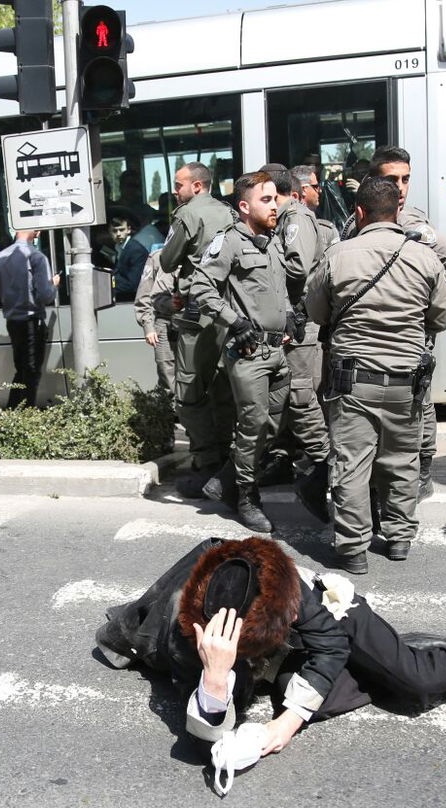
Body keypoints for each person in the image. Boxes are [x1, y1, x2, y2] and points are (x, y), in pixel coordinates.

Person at [95, 536, 446, 754]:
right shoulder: (187, 641)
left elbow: (328, 644)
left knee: (416, 682)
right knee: (305, 693)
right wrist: (218, 678)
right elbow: (206, 744)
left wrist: (287, 723)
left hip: (326, 617)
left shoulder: (285, 586)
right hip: (244, 655)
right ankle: (391, 657)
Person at [307, 178, 446, 574]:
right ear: (397, 212)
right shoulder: (425, 259)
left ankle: (353, 549)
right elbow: (441, 317)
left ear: (359, 212)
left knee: (352, 463)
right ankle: (399, 539)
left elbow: (317, 311)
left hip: (353, 381)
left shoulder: (339, 255)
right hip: (406, 381)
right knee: (402, 460)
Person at [343, 148, 446, 503]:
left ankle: (421, 472)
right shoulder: (360, 219)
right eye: (392, 180)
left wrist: (428, 314)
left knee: (419, 403)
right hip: (369, 332)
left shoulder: (411, 221)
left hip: (404, 332)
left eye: (406, 179)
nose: (400, 187)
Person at [188, 170, 300, 535]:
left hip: (276, 351)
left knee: (275, 423)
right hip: (248, 351)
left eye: (274, 198)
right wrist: (234, 322)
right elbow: (201, 289)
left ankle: (226, 479)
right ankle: (247, 497)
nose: (274, 205)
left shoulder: (272, 241)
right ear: (243, 206)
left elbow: (278, 288)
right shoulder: (229, 242)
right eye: (265, 200)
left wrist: (288, 316)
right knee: (253, 427)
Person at [158, 162, 238, 497]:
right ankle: (225, 463)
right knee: (222, 388)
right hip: (229, 313)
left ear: (198, 186)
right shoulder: (231, 212)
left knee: (189, 391)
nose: (175, 191)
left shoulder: (188, 215)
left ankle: (206, 463)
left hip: (196, 312)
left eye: (179, 185)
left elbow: (166, 261)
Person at [261, 163, 334, 505]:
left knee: (302, 399)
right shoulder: (288, 219)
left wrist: (261, 261)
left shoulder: (295, 218)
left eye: (265, 196)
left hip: (302, 323)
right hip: (293, 322)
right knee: (289, 397)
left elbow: (297, 267)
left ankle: (325, 468)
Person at [0, 229, 60, 409]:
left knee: (21, 369)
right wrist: (54, 284)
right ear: (34, 231)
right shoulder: (37, 257)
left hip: (12, 321)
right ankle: (26, 414)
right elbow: (46, 296)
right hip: (31, 320)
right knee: (31, 371)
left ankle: (13, 410)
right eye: (37, 230)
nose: (38, 233)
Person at [133, 248, 178, 393]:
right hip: (165, 322)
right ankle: (171, 414)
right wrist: (148, 326)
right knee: (167, 376)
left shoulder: (200, 254)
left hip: (193, 323)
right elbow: (143, 294)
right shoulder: (158, 256)